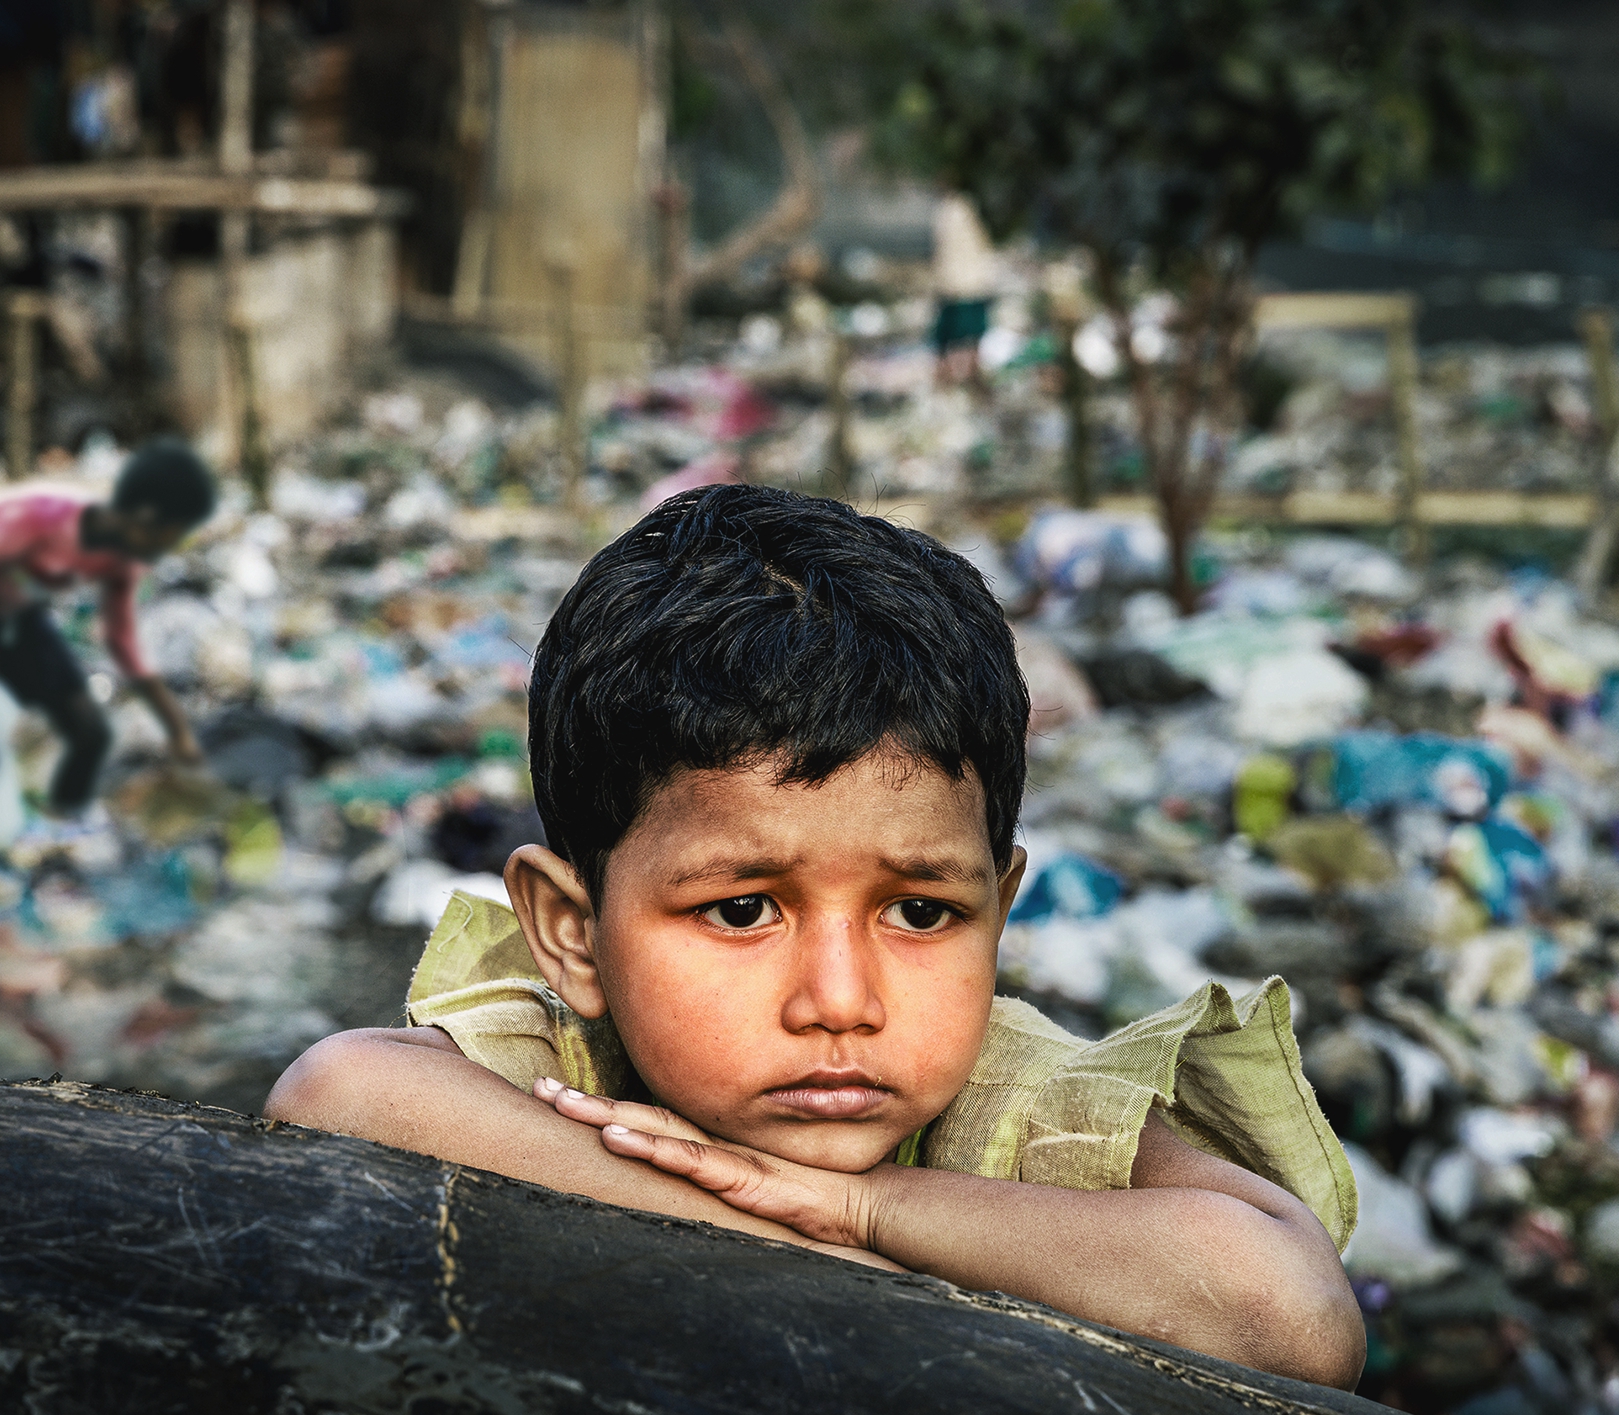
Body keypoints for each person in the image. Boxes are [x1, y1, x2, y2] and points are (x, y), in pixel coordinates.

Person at [266, 485, 1365, 1389]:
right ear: (571, 933)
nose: (840, 1000)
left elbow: (1292, 1316)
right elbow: (336, 1095)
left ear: (998, 911)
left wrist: (865, 1207)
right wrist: (788, 1243)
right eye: (742, 908)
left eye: (921, 911)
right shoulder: (566, 1070)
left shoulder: (1029, 1107)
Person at [0, 439, 215, 816]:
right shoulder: (41, 516)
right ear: (145, 516)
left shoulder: (121, 561)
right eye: (171, 532)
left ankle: (63, 819)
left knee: (90, 732)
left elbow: (124, 645)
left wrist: (177, 730)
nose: (170, 545)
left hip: (17, 608)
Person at [930, 190, 999, 386]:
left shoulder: (954, 212)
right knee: (961, 332)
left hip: (964, 284)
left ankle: (962, 373)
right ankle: (954, 373)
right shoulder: (954, 213)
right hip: (962, 284)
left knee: (961, 332)